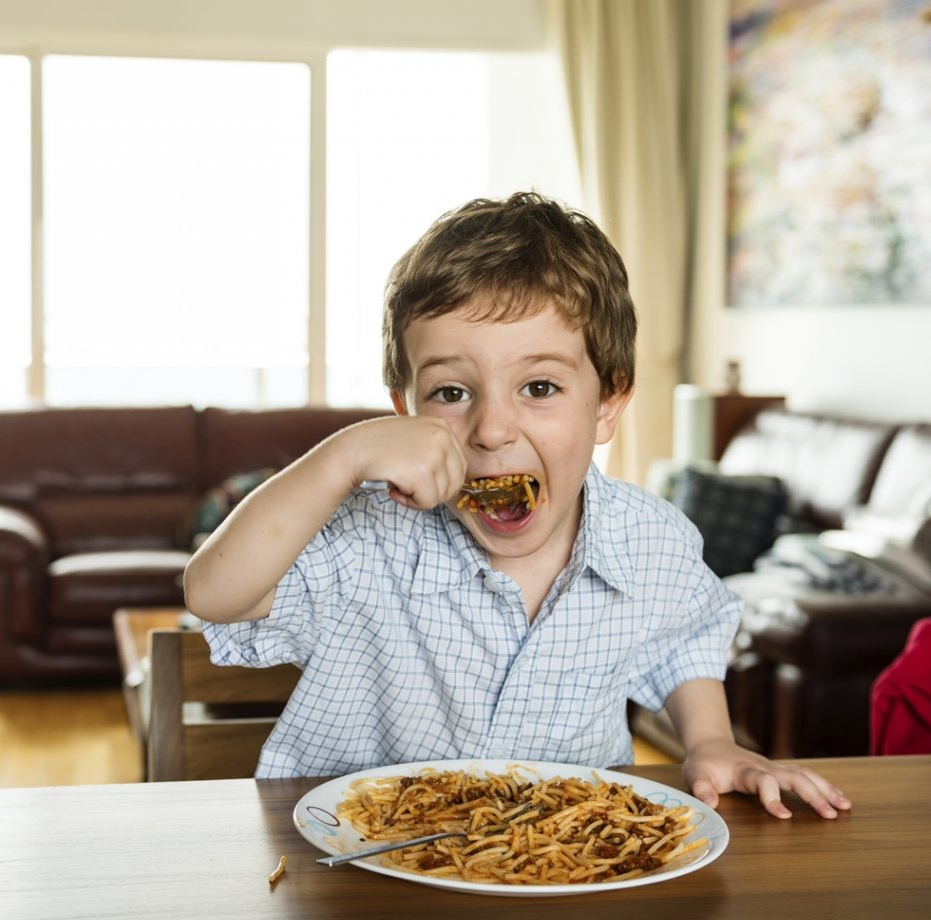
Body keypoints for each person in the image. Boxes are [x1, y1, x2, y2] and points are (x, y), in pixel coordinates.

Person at [183, 191, 851, 820]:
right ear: (404, 409)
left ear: (609, 404)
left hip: (558, 864)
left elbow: (685, 640)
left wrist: (710, 743)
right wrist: (343, 458)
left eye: (538, 386)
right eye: (450, 393)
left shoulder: (651, 540)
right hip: (353, 865)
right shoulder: (369, 535)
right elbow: (214, 594)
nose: (493, 429)